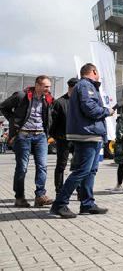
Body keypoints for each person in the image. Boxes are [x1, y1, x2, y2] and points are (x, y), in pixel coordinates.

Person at [50, 63, 114, 218]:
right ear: (93, 71)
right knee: (82, 171)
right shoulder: (86, 86)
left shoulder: (83, 86)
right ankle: (59, 204)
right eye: (97, 73)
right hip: (87, 134)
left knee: (90, 171)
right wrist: (107, 111)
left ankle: (87, 204)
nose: (99, 76)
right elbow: (90, 108)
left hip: (89, 133)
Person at [0, 75, 54, 208]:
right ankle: (19, 198)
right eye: (46, 86)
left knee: (42, 166)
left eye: (49, 87)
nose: (48, 89)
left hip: (41, 136)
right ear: (37, 85)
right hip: (23, 136)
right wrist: (14, 122)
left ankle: (40, 196)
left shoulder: (48, 99)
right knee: (22, 168)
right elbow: (3, 107)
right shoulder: (21, 96)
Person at [50, 78, 79, 194]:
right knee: (61, 166)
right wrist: (57, 137)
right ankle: (59, 191)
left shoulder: (81, 102)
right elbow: (52, 123)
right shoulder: (59, 102)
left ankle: (80, 191)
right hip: (63, 139)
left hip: (78, 139)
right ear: (70, 88)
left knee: (79, 166)